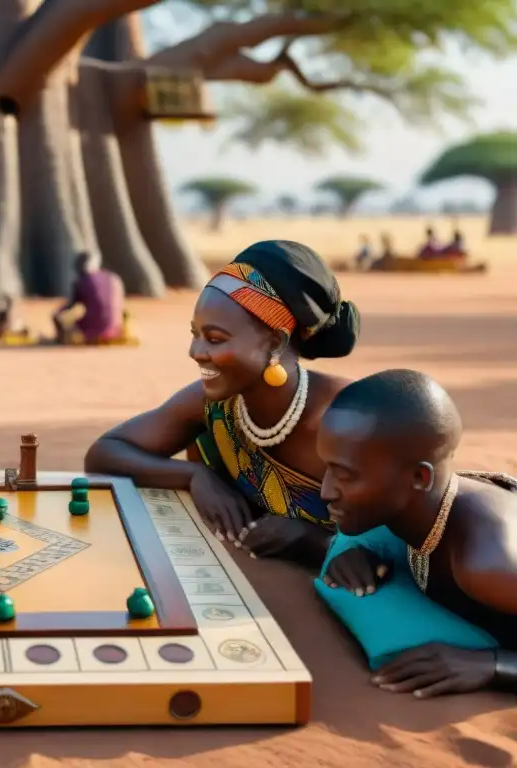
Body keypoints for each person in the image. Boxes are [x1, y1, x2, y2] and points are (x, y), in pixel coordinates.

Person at [84, 240, 360, 567]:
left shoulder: (350, 417)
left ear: (275, 343)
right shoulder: (218, 404)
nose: (195, 351)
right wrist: (192, 475)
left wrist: (312, 541)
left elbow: (404, 538)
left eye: (214, 339)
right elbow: (106, 453)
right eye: (195, 334)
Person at [318, 369, 517, 698]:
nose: (325, 491)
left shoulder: (486, 563)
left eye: (346, 476)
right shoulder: (419, 510)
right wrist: (362, 552)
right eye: (326, 467)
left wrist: (492, 664)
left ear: (419, 478)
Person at [52, 252, 125, 344]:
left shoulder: (81, 281)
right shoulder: (114, 278)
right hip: (116, 329)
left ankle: (61, 341)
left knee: (59, 317)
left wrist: (57, 314)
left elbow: (72, 306)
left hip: (92, 331)